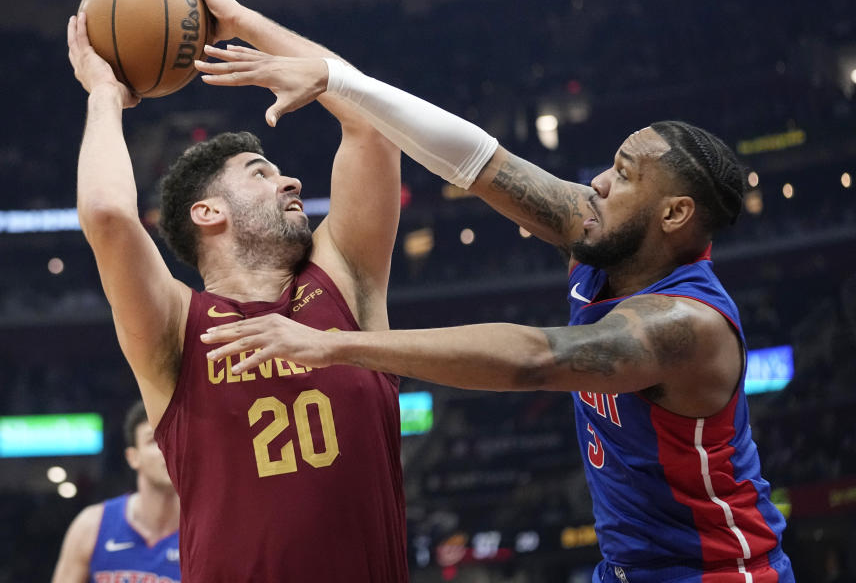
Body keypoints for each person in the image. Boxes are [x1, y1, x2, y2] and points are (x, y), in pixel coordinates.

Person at [195, 51, 796, 582]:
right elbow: (477, 160)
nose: (599, 183)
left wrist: (337, 345)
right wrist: (310, 64)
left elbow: (537, 359)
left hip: (720, 571)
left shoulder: (685, 325)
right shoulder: (603, 234)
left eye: (625, 176)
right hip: (627, 568)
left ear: (674, 214)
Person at [65, 0, 408, 582]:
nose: (292, 180)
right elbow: (109, 214)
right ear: (207, 211)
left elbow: (374, 126)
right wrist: (106, 95)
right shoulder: (175, 325)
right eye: (262, 173)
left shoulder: (344, 280)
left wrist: (242, 20)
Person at [51, 401, 180, 583]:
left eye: (175, 439)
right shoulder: (91, 526)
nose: (167, 450)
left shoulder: (206, 533)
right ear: (133, 457)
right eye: (154, 441)